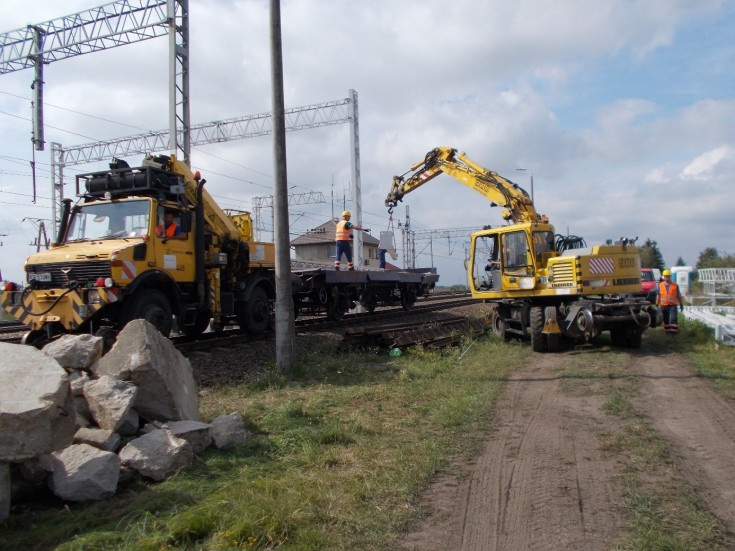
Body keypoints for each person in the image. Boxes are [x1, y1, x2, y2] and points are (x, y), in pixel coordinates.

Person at [655, 269, 683, 336]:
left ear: (670, 277)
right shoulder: (660, 285)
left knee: (673, 318)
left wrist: (681, 303)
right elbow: (658, 295)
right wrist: (656, 304)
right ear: (663, 277)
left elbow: (678, 295)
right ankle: (667, 333)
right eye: (665, 277)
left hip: (673, 305)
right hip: (664, 305)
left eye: (668, 277)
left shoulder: (675, 285)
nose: (666, 278)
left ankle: (673, 333)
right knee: (665, 320)